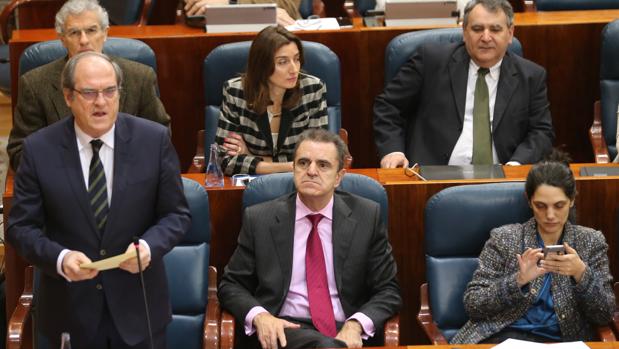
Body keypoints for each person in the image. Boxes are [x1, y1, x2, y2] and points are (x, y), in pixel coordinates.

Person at [6, 51, 190, 348]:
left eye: (109, 91)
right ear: (68, 96)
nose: (101, 102)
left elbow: (176, 214)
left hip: (138, 310)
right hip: (69, 312)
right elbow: (20, 228)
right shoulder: (39, 149)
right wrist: (61, 258)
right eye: (89, 93)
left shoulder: (153, 140)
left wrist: (148, 247)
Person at [218, 128, 401, 349]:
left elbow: (388, 290)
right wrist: (260, 316)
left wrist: (356, 325)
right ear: (293, 168)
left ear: (339, 177)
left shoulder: (366, 216)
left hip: (344, 331)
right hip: (284, 332)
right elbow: (231, 285)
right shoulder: (261, 219)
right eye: (303, 163)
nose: (311, 171)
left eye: (323, 165)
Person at [451, 153, 615, 344]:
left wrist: (581, 273)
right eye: (541, 206)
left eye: (559, 205)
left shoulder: (590, 242)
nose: (550, 215)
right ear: (529, 201)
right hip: (502, 338)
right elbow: (474, 305)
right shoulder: (505, 238)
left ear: (571, 200)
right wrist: (518, 281)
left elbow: (605, 314)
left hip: (562, 341)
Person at [373, 0, 554, 168]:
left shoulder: (531, 76)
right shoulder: (430, 61)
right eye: (477, 29)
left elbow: (541, 132)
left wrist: (516, 165)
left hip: (501, 178)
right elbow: (388, 106)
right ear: (464, 32)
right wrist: (393, 151)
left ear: (510, 33)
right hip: (431, 176)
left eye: (495, 29)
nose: (486, 37)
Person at [7, 0, 170, 171]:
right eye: (74, 32)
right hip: (62, 184)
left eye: (91, 30)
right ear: (62, 39)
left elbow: (160, 137)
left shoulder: (140, 77)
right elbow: (19, 152)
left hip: (128, 179)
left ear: (105, 33)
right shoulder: (35, 84)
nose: (84, 40)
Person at [215, 25, 328, 175]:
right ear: (262, 65)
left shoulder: (312, 90)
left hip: (300, 186)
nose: (294, 69)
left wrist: (251, 157)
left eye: (297, 59)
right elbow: (223, 161)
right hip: (252, 187)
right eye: (283, 62)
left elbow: (319, 159)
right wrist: (291, 165)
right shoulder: (236, 93)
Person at [184, 0, 302, 26]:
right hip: (206, 35)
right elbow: (194, 8)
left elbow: (288, 6)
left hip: (275, 36)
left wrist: (232, 3)